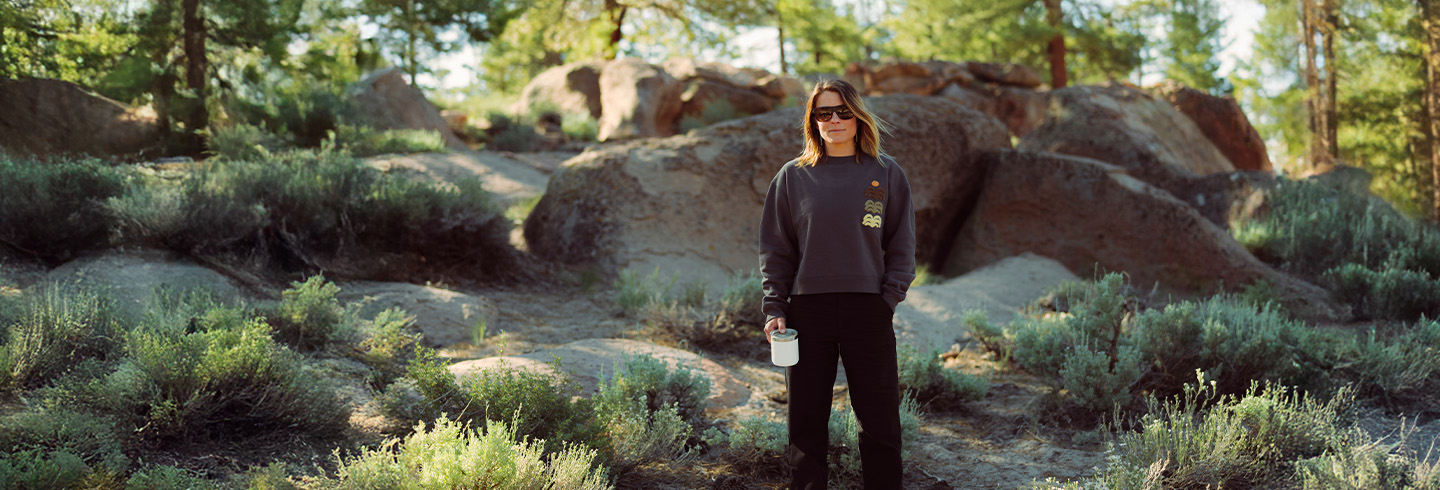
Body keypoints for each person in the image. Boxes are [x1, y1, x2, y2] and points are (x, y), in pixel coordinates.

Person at [758, 78, 916, 489]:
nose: (834, 120)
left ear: (858, 116)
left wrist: (888, 299)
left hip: (869, 309)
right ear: (813, 120)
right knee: (805, 423)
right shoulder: (792, 177)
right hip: (807, 312)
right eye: (824, 112)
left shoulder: (886, 172)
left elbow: (902, 244)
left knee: (880, 422)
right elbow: (776, 250)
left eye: (843, 111)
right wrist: (774, 308)